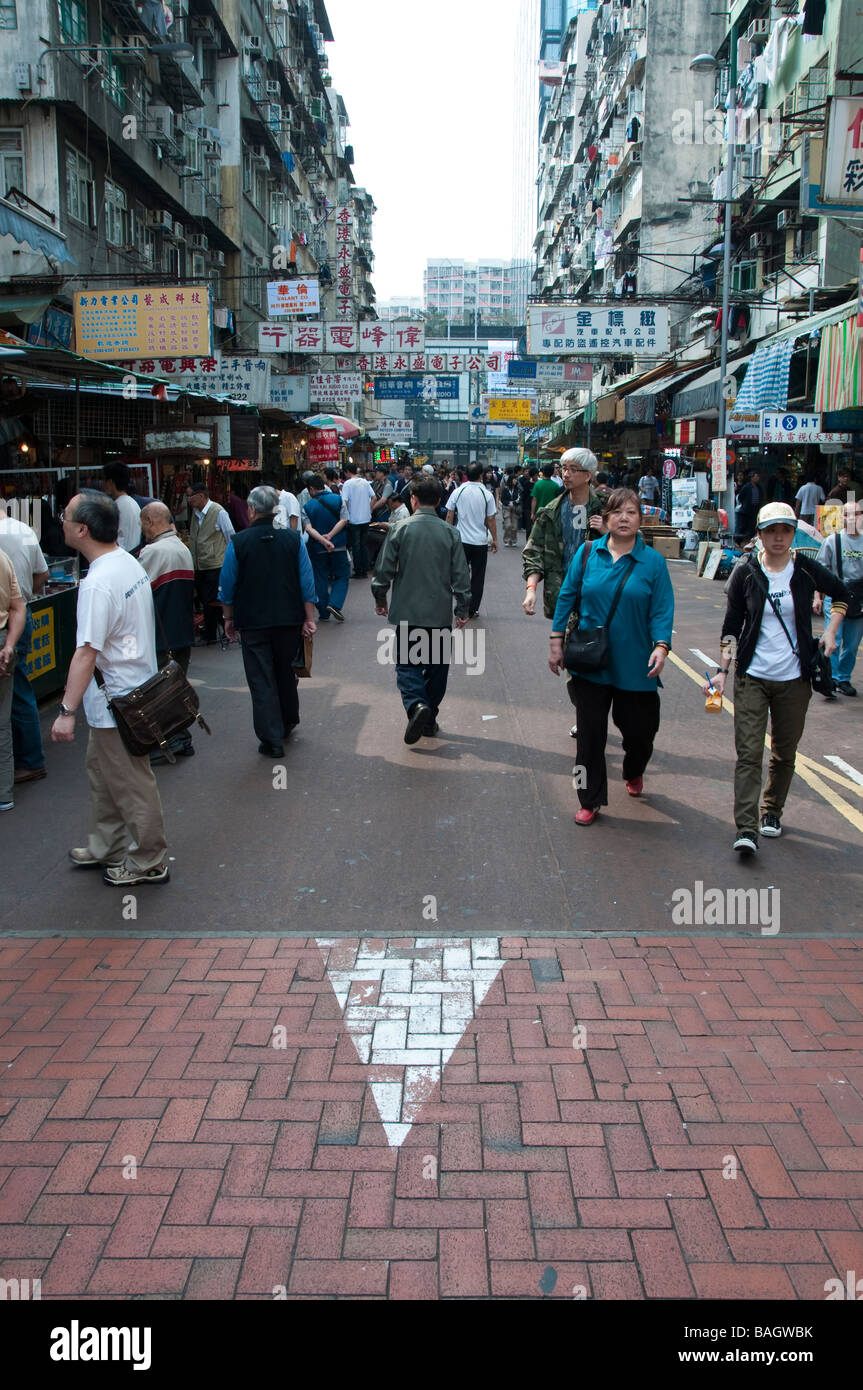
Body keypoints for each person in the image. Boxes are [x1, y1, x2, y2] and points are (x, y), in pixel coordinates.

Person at [706, 501, 849, 855]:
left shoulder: (806, 570)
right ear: (760, 535)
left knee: (784, 753)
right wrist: (722, 671)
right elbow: (731, 626)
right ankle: (747, 828)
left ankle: (772, 812)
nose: (779, 537)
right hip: (752, 676)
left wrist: (831, 631)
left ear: (792, 534)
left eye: (785, 530)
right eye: (771, 531)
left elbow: (843, 595)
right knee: (749, 754)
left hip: (794, 679)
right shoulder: (746, 572)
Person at [50, 490, 169, 885]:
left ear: (82, 529)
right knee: (104, 774)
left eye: (65, 516)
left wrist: (66, 712)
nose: (61, 522)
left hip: (118, 700)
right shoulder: (125, 562)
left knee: (130, 783)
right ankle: (107, 846)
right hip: (128, 693)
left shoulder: (99, 582)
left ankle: (149, 859)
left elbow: (86, 653)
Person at [549, 489, 674, 825]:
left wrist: (661, 646)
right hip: (591, 662)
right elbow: (567, 596)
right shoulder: (588, 553)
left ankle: (634, 770)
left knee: (640, 733)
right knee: (588, 740)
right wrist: (556, 640)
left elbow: (662, 610)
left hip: (637, 666)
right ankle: (587, 799)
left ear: (639, 520)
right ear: (604, 519)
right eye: (617, 512)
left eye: (631, 512)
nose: (623, 518)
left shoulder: (653, 562)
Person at [218, 485, 317, 758]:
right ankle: (288, 721)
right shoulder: (292, 540)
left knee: (261, 678)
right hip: (288, 619)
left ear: (251, 510)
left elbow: (226, 586)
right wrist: (309, 618)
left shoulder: (238, 542)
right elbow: (306, 583)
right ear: (276, 510)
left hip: (253, 621)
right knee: (284, 671)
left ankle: (271, 739)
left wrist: (228, 618)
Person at [372, 475, 471, 743]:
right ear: (439, 501)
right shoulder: (451, 532)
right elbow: (461, 576)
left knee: (407, 664)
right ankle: (429, 718)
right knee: (437, 668)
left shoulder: (400, 529)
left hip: (407, 611)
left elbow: (383, 571)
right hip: (438, 612)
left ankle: (417, 705)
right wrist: (462, 607)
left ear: (413, 500)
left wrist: (380, 599)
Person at [138, 502, 196, 760]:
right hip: (182, 629)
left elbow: (139, 595)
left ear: (150, 521)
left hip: (162, 632)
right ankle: (182, 738)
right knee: (177, 685)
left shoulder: (153, 552)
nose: (143, 530)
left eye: (143, 524)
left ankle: (173, 741)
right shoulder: (180, 548)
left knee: (161, 691)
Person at [522, 447, 606, 621]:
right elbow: (533, 551)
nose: (566, 474)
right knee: (562, 644)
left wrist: (607, 531)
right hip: (561, 594)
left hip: (599, 595)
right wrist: (531, 590)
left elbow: (633, 544)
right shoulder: (550, 512)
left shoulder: (608, 508)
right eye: (563, 468)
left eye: (573, 469)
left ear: (588, 475)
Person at [0, 497, 48, 784]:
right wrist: (25, 597)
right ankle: (27, 757)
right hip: (23, 614)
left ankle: (30, 760)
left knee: (15, 691)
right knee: (19, 687)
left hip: (7, 623)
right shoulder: (24, 529)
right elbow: (41, 573)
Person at [814, 498, 863, 696]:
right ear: (841, 517)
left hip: (859, 598)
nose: (851, 518)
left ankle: (844, 678)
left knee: (852, 644)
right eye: (847, 514)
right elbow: (819, 571)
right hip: (835, 595)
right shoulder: (832, 541)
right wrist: (817, 597)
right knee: (834, 637)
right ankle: (831, 678)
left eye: (857, 514)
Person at [445, 463, 497, 619]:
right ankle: (472, 609)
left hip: (461, 540)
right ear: (481, 475)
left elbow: (449, 515)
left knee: (460, 575)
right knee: (478, 577)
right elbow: (491, 519)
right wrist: (494, 539)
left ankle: (461, 605)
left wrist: (448, 537)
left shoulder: (458, 491)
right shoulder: (486, 494)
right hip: (480, 542)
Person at [186, 482, 235, 646]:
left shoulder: (218, 512)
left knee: (210, 599)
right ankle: (215, 629)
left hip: (215, 564)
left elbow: (230, 536)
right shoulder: (195, 513)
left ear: (200, 496)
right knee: (204, 599)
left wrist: (228, 561)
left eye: (190, 496)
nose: (188, 500)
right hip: (199, 564)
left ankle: (211, 633)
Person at [303, 474, 350, 622]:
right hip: (338, 545)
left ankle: (323, 611)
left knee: (320, 577)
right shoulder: (338, 499)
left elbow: (308, 528)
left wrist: (323, 540)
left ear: (311, 489)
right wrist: (330, 536)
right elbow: (344, 519)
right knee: (342, 575)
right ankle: (335, 604)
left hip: (317, 548)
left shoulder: (307, 506)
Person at [0, 548, 25, 813]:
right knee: (1, 723)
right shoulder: (3, 557)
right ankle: (3, 792)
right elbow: (18, 607)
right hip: (3, 641)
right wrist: (8, 646)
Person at [341, 461, 376, 578]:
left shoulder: (347, 484)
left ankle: (358, 570)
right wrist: (369, 510)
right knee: (364, 544)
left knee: (356, 545)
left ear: (347, 472)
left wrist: (345, 516)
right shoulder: (365, 482)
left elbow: (344, 501)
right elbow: (374, 497)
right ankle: (365, 569)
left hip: (354, 519)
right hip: (366, 518)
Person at [103, 462, 142, 552]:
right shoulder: (132, 503)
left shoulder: (116, 506)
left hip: (122, 554)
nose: (103, 484)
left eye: (104, 480)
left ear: (110, 482)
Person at [734, 470, 762, 541]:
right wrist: (745, 504)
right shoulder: (747, 486)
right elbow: (740, 497)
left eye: (758, 477)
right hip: (747, 510)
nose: (757, 478)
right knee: (742, 526)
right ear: (752, 478)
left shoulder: (758, 487)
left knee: (753, 526)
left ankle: (751, 540)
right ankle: (738, 541)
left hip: (755, 509)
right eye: (756, 476)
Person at [500, 472, 520, 546]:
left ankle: (513, 540)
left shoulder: (517, 489)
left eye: (516, 479)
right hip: (506, 508)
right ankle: (506, 539)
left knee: (514, 526)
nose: (516, 481)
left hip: (515, 508)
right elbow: (502, 499)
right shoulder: (505, 489)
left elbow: (519, 498)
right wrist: (508, 503)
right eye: (514, 479)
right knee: (508, 525)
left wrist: (514, 503)